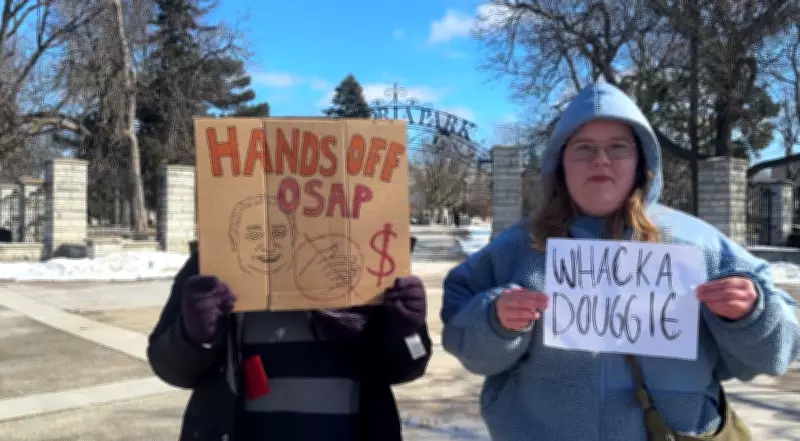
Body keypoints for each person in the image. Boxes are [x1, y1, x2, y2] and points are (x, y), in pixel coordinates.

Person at [440, 82, 800, 441]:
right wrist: (495, 322)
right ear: (560, 162)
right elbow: (469, 349)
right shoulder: (516, 248)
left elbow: (774, 355)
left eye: (618, 147)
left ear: (641, 161)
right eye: (584, 148)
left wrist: (751, 315)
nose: (601, 160)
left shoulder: (698, 244)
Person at [147, 248, 432, 441]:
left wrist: (407, 330)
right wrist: (195, 336)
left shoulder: (373, 258)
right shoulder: (214, 260)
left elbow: (407, 366)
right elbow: (168, 366)